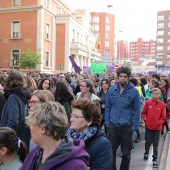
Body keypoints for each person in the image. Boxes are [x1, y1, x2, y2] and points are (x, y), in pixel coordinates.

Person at [20, 101, 89, 170]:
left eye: (32, 124)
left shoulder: (75, 166)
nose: (30, 127)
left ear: (43, 129)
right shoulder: (37, 151)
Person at [105, 66, 141, 170]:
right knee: (111, 152)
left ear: (128, 78)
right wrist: (107, 122)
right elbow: (108, 107)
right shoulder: (112, 90)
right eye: (121, 76)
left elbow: (136, 111)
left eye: (125, 77)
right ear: (118, 77)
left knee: (126, 153)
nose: (123, 79)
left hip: (127, 127)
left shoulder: (134, 92)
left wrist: (134, 127)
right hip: (113, 125)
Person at [66, 99, 113, 170]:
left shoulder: (103, 144)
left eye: (75, 116)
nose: (71, 119)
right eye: (71, 115)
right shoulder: (66, 137)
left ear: (89, 121)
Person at [142, 88, 166, 168]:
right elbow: (144, 113)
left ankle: (154, 159)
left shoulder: (162, 104)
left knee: (156, 143)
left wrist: (159, 123)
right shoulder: (148, 103)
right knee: (148, 142)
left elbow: (163, 117)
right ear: (152, 94)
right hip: (148, 127)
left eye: (157, 93)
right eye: (154, 93)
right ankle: (146, 152)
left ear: (160, 94)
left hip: (157, 128)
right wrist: (145, 119)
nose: (155, 94)